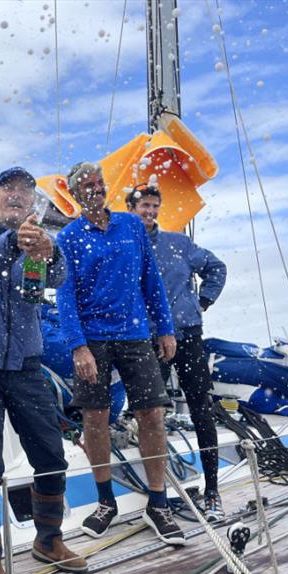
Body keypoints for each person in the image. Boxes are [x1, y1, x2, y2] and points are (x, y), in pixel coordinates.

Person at [0, 167, 87, 574]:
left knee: (50, 454)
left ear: (33, 204)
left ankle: (47, 540)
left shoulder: (38, 243)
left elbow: (58, 279)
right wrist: (15, 241)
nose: (16, 196)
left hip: (27, 368)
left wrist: (51, 251)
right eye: (8, 189)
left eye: (24, 192)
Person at [56, 161, 186, 546]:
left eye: (98, 183)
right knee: (96, 419)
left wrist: (164, 327)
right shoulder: (68, 237)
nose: (94, 189)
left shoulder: (131, 226)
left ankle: (158, 503)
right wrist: (78, 346)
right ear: (75, 193)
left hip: (134, 333)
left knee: (152, 414)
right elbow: (65, 297)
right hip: (93, 338)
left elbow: (151, 279)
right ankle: (105, 502)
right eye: (86, 185)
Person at [126, 183, 227, 522]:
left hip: (187, 335)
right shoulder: (125, 247)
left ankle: (212, 490)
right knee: (149, 416)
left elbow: (217, 267)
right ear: (131, 208)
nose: (150, 211)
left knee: (201, 408)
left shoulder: (179, 244)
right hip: (146, 341)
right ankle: (158, 496)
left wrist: (201, 303)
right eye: (144, 205)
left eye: (155, 205)